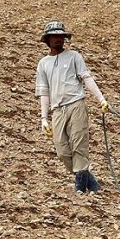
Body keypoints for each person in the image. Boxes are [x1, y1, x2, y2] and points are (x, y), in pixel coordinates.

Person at [35, 20, 109, 194]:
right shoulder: (43, 64)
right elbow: (43, 92)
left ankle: (80, 188)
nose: (58, 40)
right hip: (58, 109)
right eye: (54, 36)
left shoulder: (74, 56)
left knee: (78, 145)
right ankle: (90, 183)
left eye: (61, 36)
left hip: (76, 104)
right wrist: (44, 118)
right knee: (62, 150)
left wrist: (101, 99)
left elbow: (86, 78)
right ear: (47, 40)